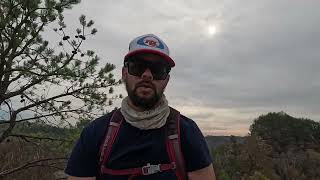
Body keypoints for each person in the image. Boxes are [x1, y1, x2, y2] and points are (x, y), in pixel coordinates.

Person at [65, 34, 216, 180]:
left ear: (166, 80)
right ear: (124, 74)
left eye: (157, 70)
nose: (147, 75)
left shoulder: (187, 132)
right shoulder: (95, 133)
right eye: (138, 67)